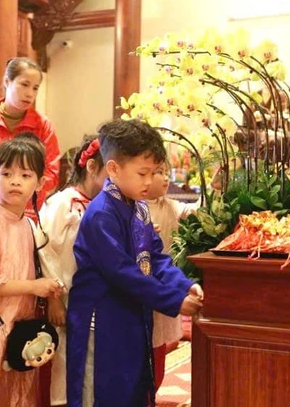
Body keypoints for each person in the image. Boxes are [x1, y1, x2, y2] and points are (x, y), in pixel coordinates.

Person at [66, 120, 204, 406]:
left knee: (133, 386)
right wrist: (173, 300)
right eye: (142, 173)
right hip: (102, 318)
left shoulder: (139, 207)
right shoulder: (101, 213)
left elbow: (156, 256)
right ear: (113, 168)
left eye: (153, 172)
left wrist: (183, 286)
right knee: (104, 392)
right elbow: (121, 272)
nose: (149, 181)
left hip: (130, 311)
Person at [0, 138, 63, 407]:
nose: (15, 182)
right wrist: (34, 286)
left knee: (19, 390)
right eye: (6, 174)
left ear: (40, 183)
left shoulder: (29, 224)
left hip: (22, 321)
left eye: (25, 175)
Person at [39, 135, 107, 406]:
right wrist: (54, 297)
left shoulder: (106, 204)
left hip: (94, 299)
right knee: (64, 366)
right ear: (91, 167)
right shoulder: (62, 203)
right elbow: (44, 249)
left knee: (91, 365)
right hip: (65, 296)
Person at [0, 57, 60, 211]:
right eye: (24, 84)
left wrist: (22, 201)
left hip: (25, 210)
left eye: (35, 88)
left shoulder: (43, 125)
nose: (30, 94)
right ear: (7, 81)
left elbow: (51, 173)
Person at [145, 161, 199, 393]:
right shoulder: (131, 207)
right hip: (142, 286)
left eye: (166, 173)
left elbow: (195, 211)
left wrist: (216, 190)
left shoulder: (169, 205)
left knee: (159, 344)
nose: (166, 178)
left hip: (164, 277)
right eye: (158, 173)